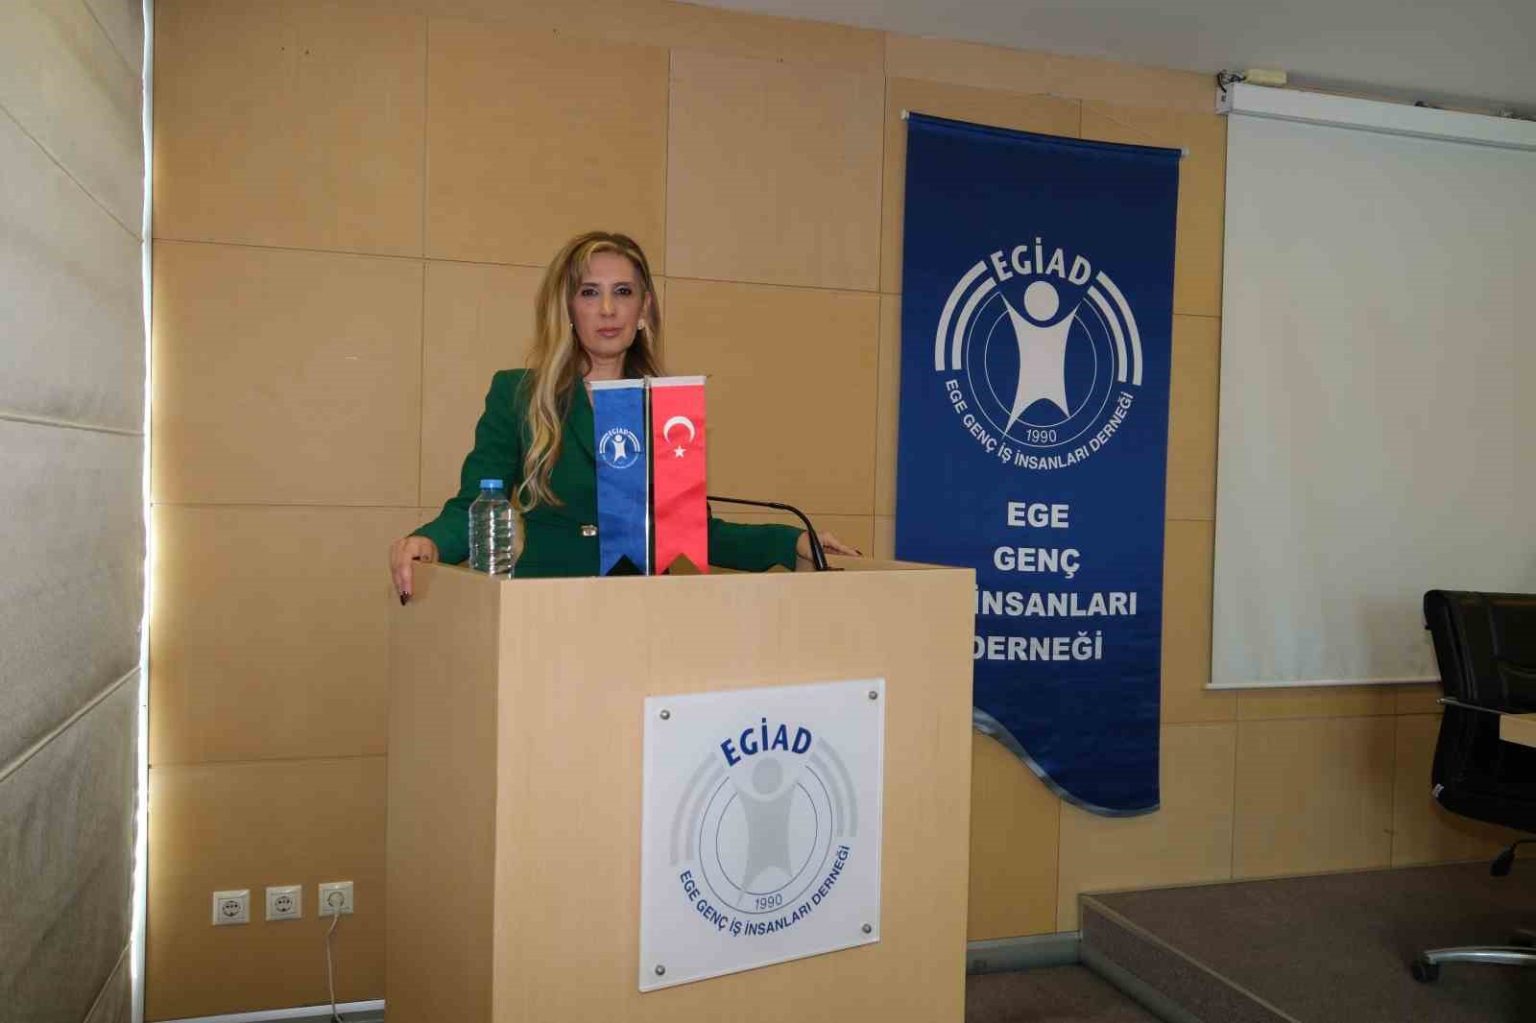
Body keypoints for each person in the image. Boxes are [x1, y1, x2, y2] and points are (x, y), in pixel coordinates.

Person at [390, 230, 859, 600]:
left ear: (644, 307)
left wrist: (793, 542)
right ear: (568, 308)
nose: (608, 309)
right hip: (542, 610)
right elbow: (475, 504)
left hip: (641, 616)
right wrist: (428, 542)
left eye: (623, 291)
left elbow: (692, 534)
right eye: (589, 292)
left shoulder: (667, 409)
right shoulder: (519, 393)